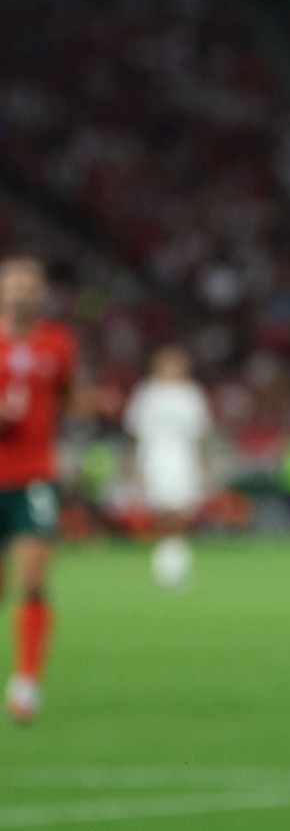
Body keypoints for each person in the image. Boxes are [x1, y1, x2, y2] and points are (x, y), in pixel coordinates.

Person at [0, 256, 76, 723]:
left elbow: (65, 395)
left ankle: (25, 682)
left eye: (30, 285)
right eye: (14, 284)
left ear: (41, 293)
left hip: (34, 476)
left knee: (32, 580)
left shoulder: (58, 342)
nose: (22, 292)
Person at [122, 344, 212, 589]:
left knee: (183, 509)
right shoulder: (147, 394)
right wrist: (134, 464)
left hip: (183, 457)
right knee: (161, 510)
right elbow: (136, 433)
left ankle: (178, 557)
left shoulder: (191, 394)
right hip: (155, 456)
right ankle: (165, 557)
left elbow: (199, 433)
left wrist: (203, 463)